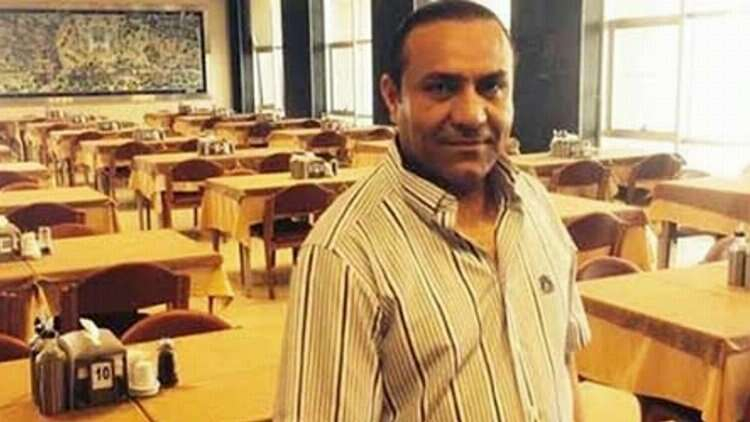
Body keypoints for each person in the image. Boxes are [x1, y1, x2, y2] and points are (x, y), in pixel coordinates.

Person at [274, 1, 590, 421]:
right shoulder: (344, 255)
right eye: (441, 87)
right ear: (392, 97)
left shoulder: (536, 206)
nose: (471, 115)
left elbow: (563, 366)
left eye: (492, 87)